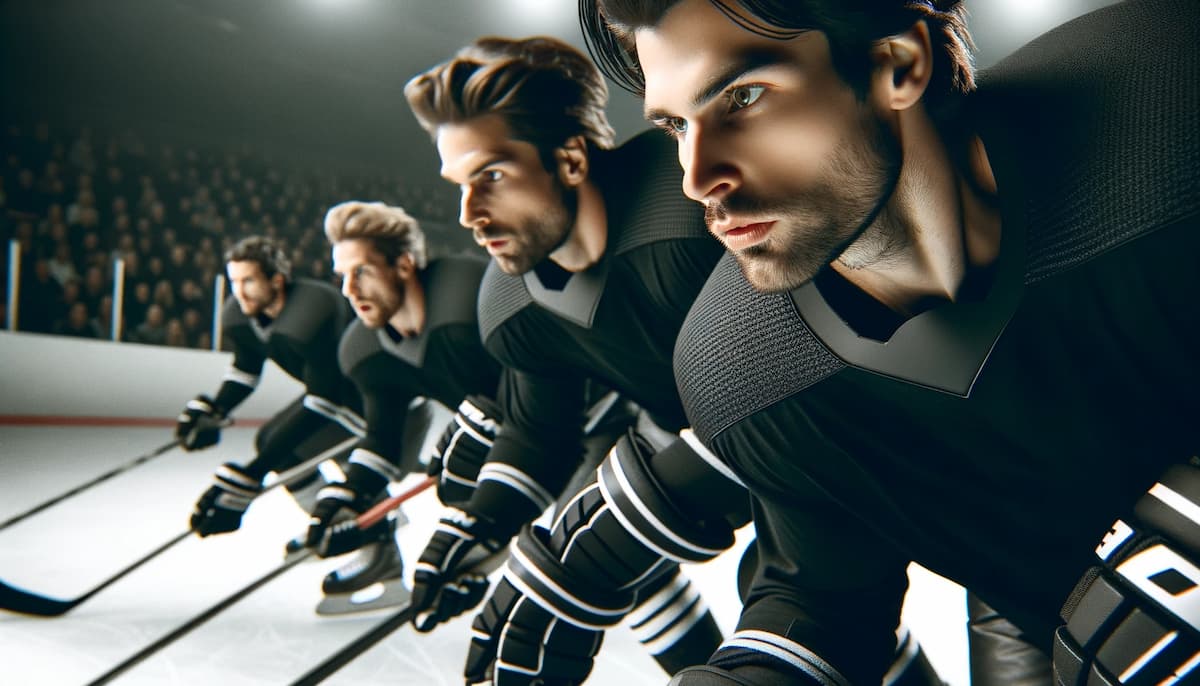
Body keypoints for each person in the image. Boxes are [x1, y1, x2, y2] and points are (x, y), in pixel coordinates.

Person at [469, 1, 1200, 685]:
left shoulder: (1172, 106)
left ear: (898, 65)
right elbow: (825, 598)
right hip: (1045, 620)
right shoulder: (738, 362)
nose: (699, 179)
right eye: (676, 127)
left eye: (743, 98)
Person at [403, 35, 943, 684]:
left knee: (815, 599)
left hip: (845, 436)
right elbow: (538, 431)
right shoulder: (511, 303)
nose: (468, 215)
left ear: (571, 160)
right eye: (458, 186)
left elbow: (806, 382)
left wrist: (615, 533)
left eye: (490, 176)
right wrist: (481, 521)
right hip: (723, 433)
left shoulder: (704, 213)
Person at [304, 199, 505, 615]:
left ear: (404, 264)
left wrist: (487, 525)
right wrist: (349, 494)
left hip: (591, 421)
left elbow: (533, 405)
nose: (349, 290)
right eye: (342, 275)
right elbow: (383, 438)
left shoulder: (469, 301)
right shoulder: (364, 349)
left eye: (362, 272)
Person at [179, 236, 367, 585]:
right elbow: (246, 369)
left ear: (276, 280)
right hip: (335, 398)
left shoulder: (311, 310)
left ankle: (371, 534)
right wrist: (217, 406)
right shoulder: (243, 314)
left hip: (372, 400)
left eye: (248, 281)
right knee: (275, 445)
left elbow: (326, 399)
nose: (239, 292)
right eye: (234, 281)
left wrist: (253, 474)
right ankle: (337, 521)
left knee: (280, 445)